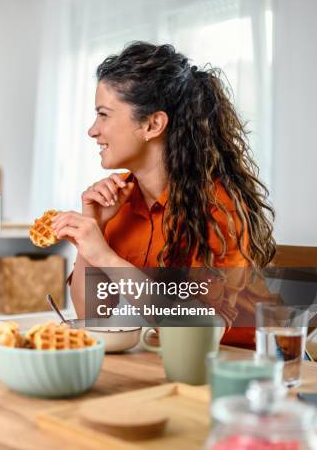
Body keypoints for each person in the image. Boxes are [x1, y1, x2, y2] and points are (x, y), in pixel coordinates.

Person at [52, 42, 276, 347]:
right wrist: (95, 232)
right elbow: (93, 316)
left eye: (104, 115)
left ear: (152, 124)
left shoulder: (219, 207)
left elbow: (197, 330)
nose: (93, 130)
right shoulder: (118, 199)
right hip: (172, 359)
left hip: (247, 363)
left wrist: (105, 255)